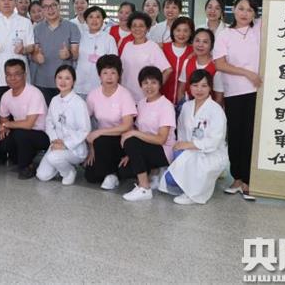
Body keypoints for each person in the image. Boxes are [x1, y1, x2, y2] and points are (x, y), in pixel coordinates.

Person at [214, 0, 262, 201]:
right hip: (233, 92)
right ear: (233, 10)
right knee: (234, 136)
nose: (244, 13)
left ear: (255, 14)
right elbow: (220, 64)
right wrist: (247, 73)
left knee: (250, 136)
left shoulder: (258, 29)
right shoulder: (225, 34)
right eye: (241, 8)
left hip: (256, 92)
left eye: (250, 10)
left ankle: (249, 181)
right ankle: (237, 178)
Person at [0, 0, 35, 163]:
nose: (6, 2)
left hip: (20, 77)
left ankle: (17, 151)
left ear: (15, 2)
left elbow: (31, 46)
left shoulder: (25, 22)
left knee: (19, 115)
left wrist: (24, 49)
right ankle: (1, 150)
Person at [159, 69, 229, 205]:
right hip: (189, 150)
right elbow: (181, 133)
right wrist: (183, 146)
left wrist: (190, 145)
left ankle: (192, 194)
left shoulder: (216, 110)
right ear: (189, 87)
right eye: (195, 85)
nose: (199, 90)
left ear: (210, 88)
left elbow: (215, 141)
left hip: (211, 153)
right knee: (170, 179)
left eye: (204, 86)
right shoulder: (186, 106)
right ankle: (187, 184)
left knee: (191, 166)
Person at [119, 66, 177, 202]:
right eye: (145, 83)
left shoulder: (166, 105)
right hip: (147, 145)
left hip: (164, 150)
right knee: (124, 171)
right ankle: (154, 175)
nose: (149, 87)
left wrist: (133, 136)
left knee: (130, 139)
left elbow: (161, 139)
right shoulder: (141, 103)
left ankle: (144, 188)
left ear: (160, 84)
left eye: (153, 82)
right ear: (140, 85)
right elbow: (139, 131)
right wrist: (130, 153)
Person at [83, 55, 137, 190]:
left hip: (122, 140)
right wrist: (91, 148)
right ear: (99, 75)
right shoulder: (93, 95)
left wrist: (99, 132)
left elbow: (127, 125)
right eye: (105, 73)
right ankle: (112, 172)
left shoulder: (125, 95)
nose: (109, 77)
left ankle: (112, 173)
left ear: (119, 75)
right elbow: (84, 121)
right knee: (90, 176)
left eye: (113, 73)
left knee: (102, 140)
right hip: (101, 142)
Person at [36, 65, 90, 185]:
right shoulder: (54, 100)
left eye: (67, 78)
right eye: (59, 77)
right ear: (55, 79)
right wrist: (54, 140)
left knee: (53, 157)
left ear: (74, 81)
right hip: (56, 144)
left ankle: (69, 171)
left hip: (75, 148)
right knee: (42, 175)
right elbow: (49, 122)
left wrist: (65, 144)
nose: (63, 81)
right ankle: (61, 165)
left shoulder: (79, 103)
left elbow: (84, 130)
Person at [0, 59, 49, 179]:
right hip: (22, 131)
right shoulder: (6, 96)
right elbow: (3, 118)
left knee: (21, 134)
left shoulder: (34, 93)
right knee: (3, 140)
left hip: (42, 134)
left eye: (17, 74)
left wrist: (6, 125)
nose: (13, 78)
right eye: (9, 75)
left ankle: (26, 166)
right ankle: (23, 157)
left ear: (25, 75)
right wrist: (4, 127)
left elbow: (28, 124)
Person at [31, 0, 80, 105]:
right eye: (45, 7)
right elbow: (34, 54)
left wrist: (68, 54)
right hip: (42, 82)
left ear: (59, 6)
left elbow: (76, 54)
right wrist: (36, 57)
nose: (50, 9)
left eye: (53, 5)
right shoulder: (37, 29)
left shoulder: (72, 27)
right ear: (42, 9)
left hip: (65, 82)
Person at [120, 11, 172, 103]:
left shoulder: (152, 47)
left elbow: (168, 70)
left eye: (141, 26)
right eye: (134, 26)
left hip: (144, 98)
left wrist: (154, 89)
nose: (137, 29)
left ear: (147, 28)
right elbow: (122, 70)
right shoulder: (127, 45)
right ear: (130, 28)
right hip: (126, 96)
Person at [74, 6, 117, 99]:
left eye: (98, 17)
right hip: (80, 84)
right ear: (86, 20)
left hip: (100, 85)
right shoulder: (80, 37)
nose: (94, 20)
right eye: (91, 17)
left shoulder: (109, 39)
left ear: (103, 20)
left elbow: (114, 63)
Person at [177, 28, 225, 105]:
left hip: (209, 109)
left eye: (205, 42)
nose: (200, 45)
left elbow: (219, 98)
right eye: (197, 41)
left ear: (212, 45)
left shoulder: (217, 66)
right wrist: (183, 108)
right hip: (189, 107)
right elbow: (181, 90)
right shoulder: (187, 62)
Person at [161, 16, 195, 106]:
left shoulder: (194, 51)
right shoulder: (162, 48)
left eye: (186, 31)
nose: (181, 34)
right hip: (163, 101)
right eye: (178, 30)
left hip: (186, 103)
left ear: (191, 33)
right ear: (173, 31)